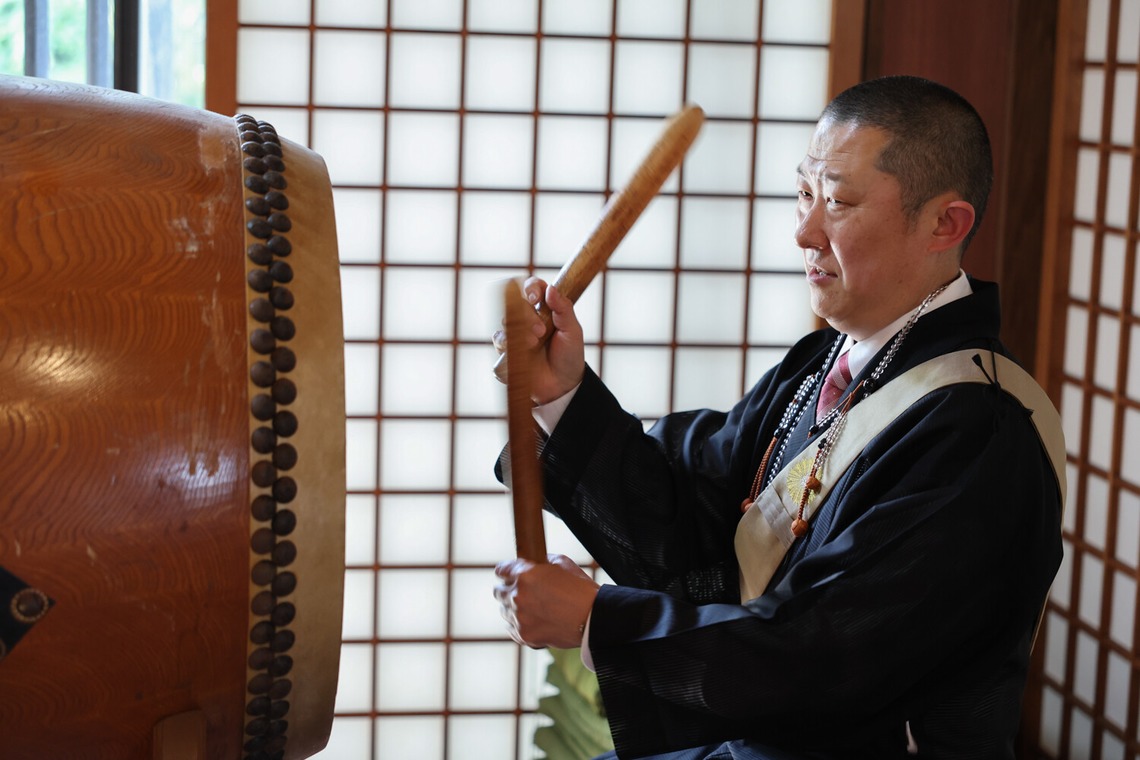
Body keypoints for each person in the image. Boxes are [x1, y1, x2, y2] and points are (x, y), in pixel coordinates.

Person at [492, 76, 1063, 759]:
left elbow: (822, 653)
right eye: (804, 194)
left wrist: (596, 621)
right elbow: (694, 522)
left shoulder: (980, 433)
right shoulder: (821, 363)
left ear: (946, 224)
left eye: (839, 202)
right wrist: (564, 391)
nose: (804, 230)